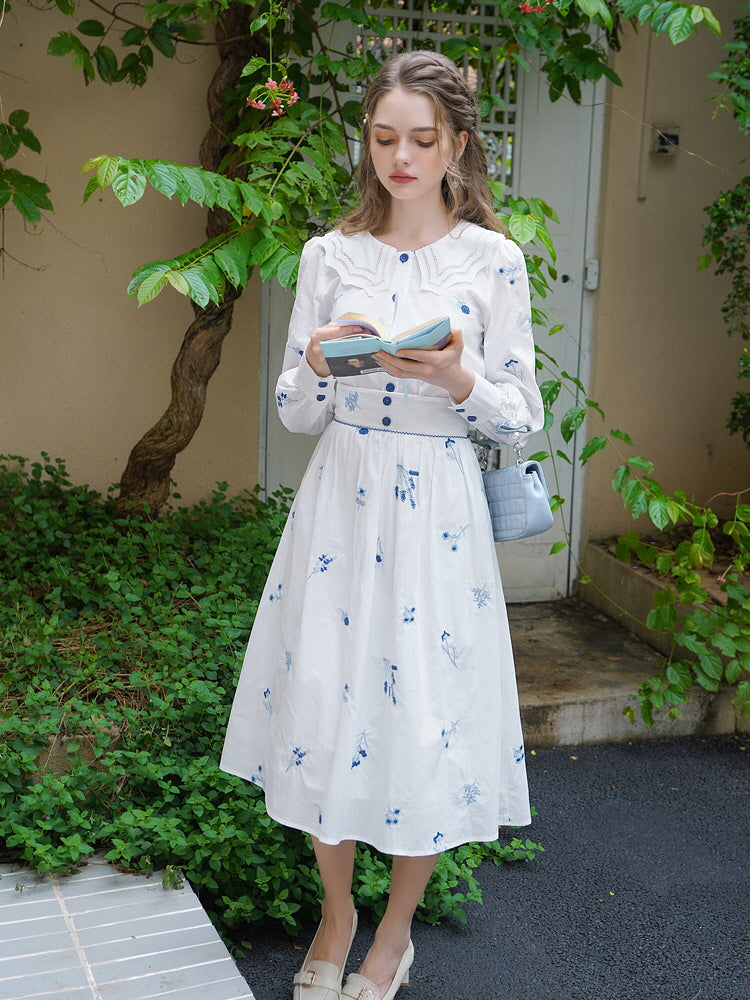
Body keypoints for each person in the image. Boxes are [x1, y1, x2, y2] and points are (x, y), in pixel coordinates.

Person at [220, 49, 544, 1000]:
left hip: (438, 509)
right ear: (367, 142)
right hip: (339, 503)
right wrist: (322, 366)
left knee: (423, 720)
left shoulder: (493, 261)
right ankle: (336, 911)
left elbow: (521, 416)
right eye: (383, 137)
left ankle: (393, 933)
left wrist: (455, 378)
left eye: (421, 139)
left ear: (457, 144)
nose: (400, 157)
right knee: (323, 701)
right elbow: (291, 409)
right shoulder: (330, 256)